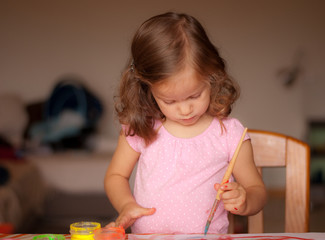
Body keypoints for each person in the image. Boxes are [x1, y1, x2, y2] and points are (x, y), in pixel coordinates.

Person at [104, 12, 267, 234]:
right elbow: (116, 176)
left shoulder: (229, 134)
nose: (185, 109)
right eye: (169, 101)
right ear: (147, 87)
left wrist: (245, 200)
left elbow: (257, 190)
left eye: (194, 95)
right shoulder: (142, 128)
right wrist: (126, 204)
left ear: (212, 76)